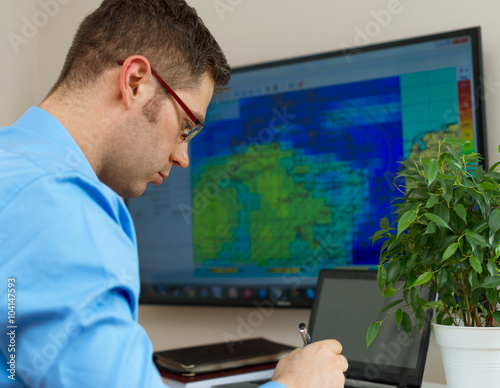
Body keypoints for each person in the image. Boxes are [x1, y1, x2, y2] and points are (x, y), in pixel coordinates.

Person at [0, 1, 348, 387]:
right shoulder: (62, 209)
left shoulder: (14, 166)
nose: (183, 157)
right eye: (186, 126)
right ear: (134, 81)